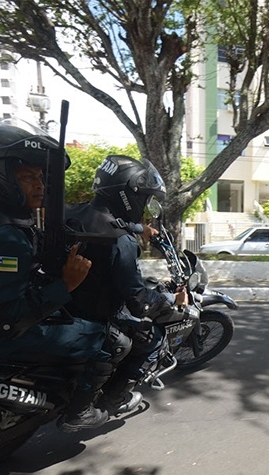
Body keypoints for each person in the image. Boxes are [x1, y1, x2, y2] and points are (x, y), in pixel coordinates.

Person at [0, 122, 116, 432]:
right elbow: (7, 318)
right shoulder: (5, 236)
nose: (39, 186)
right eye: (26, 177)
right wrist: (66, 284)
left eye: (39, 177)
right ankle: (79, 411)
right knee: (103, 339)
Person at [64, 155, 188, 414]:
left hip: (65, 303)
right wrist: (171, 301)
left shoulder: (72, 212)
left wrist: (139, 228)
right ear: (126, 196)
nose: (144, 204)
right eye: (143, 197)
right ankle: (108, 401)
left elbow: (109, 222)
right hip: (95, 311)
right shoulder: (121, 242)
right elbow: (139, 301)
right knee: (150, 337)